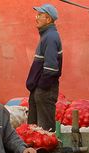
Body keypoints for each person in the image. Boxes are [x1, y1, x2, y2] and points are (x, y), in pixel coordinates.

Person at [26, 3, 62, 132]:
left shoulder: (51, 37)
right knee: (34, 130)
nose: (36, 17)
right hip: (40, 89)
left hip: (45, 90)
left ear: (48, 19)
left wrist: (41, 88)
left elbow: (51, 69)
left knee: (45, 132)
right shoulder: (46, 36)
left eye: (40, 15)